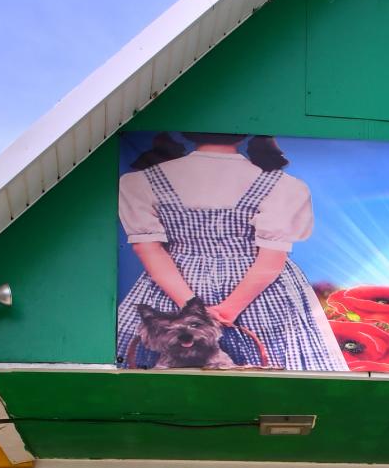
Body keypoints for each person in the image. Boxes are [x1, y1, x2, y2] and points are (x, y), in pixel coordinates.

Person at [117, 132, 347, 371]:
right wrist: (226, 310)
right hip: (257, 289)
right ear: (243, 135)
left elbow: (149, 250)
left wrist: (190, 307)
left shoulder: (142, 181)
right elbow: (270, 260)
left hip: (175, 282)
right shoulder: (283, 185)